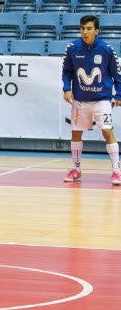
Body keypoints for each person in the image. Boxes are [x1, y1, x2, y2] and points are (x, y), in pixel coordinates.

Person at [62, 15, 121, 185]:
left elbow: (117, 75)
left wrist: (118, 95)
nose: (84, 32)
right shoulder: (72, 48)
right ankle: (76, 169)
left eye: (88, 28)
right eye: (82, 28)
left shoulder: (106, 49)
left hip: (102, 99)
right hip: (80, 100)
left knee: (107, 131)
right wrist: (66, 89)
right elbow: (67, 72)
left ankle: (116, 171)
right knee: (75, 133)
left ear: (96, 30)